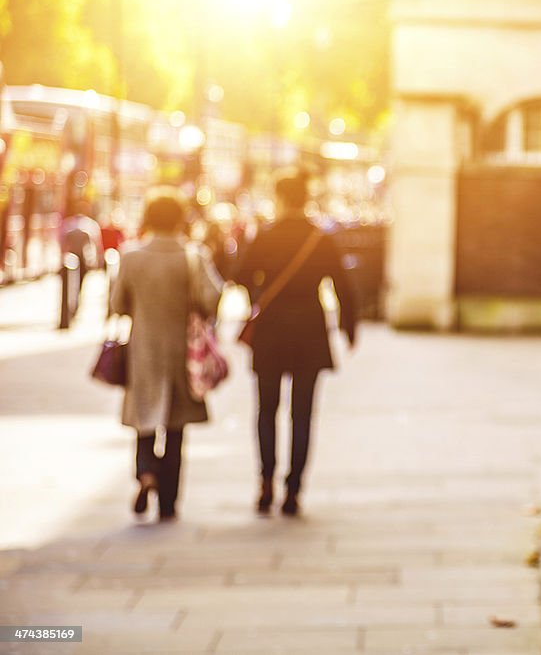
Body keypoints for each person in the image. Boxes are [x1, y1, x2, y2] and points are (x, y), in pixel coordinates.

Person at [234, 169, 358, 517]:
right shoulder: (320, 239)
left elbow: (239, 274)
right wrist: (350, 327)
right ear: (305, 199)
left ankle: (265, 481)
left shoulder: (265, 236)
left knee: (266, 410)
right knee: (302, 413)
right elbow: (343, 285)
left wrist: (258, 294)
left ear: (279, 198)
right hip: (309, 330)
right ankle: (294, 488)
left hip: (271, 331)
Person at [110, 190, 223, 521]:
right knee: (176, 428)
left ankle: (146, 473)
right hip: (182, 356)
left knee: (143, 422)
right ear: (179, 219)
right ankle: (170, 501)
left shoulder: (130, 257)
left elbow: (117, 304)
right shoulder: (193, 256)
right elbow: (212, 298)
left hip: (143, 352)